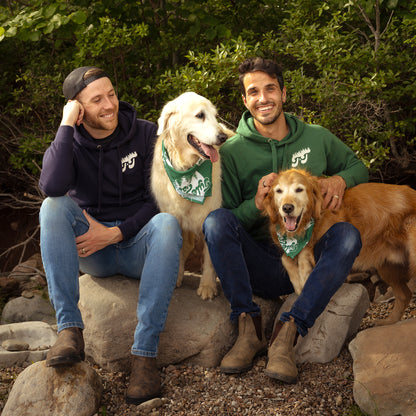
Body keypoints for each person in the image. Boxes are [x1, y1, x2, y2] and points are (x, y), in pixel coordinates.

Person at [202, 57, 368, 384]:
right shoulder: (231, 151)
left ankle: (289, 333)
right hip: (265, 262)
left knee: (348, 235)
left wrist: (340, 180)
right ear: (245, 100)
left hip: (312, 256)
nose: (263, 98)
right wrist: (257, 203)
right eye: (254, 92)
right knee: (215, 222)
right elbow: (227, 223)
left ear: (284, 93)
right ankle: (248, 329)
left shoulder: (316, 137)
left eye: (270, 89)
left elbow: (358, 167)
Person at [38, 66, 183, 404]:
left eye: (111, 94)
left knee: (168, 224)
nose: (109, 105)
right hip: (93, 251)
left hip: (137, 245)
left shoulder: (146, 134)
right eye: (96, 100)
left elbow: (162, 198)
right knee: (52, 208)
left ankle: (145, 356)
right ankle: (70, 330)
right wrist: (64, 126)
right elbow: (52, 186)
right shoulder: (70, 140)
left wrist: (117, 232)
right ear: (78, 108)